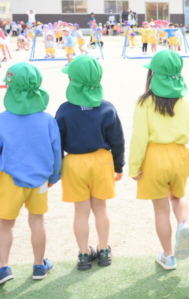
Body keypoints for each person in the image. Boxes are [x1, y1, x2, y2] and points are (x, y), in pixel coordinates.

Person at [128, 51, 189, 270]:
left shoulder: (144, 103)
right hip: (180, 157)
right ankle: (183, 223)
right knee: (178, 197)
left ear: (153, 75)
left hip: (154, 158)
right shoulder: (188, 102)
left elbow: (139, 138)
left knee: (161, 210)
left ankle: (169, 256)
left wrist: (134, 167)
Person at [55, 56, 125, 270]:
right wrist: (119, 166)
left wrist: (57, 168)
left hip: (74, 163)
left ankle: (84, 253)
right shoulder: (107, 108)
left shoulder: (64, 110)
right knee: (101, 209)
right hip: (101, 161)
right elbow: (117, 141)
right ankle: (103, 250)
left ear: (72, 80)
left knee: (81, 212)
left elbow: (57, 143)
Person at [0, 63, 61, 284]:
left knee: (5, 223)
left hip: (9, 178)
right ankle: (38, 265)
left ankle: (3, 268)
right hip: (40, 178)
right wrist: (54, 176)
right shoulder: (47, 119)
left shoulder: (2, 119)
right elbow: (56, 151)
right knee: (37, 221)